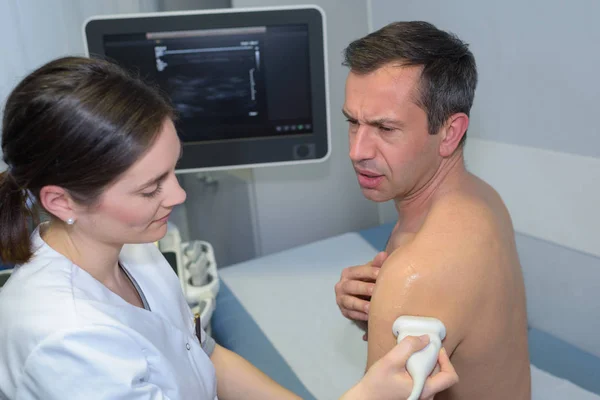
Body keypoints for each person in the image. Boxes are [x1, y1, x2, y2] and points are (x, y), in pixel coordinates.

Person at [0, 56, 458, 400]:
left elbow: (202, 354)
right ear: (61, 201)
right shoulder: (66, 340)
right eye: (149, 188)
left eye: (173, 170)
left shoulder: (132, 249)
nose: (178, 196)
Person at [334, 21, 531, 399]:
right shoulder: (482, 198)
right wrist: (378, 310)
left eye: (385, 128)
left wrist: (396, 296)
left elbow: (424, 280)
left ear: (450, 132)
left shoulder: (416, 273)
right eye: (352, 122)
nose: (357, 151)